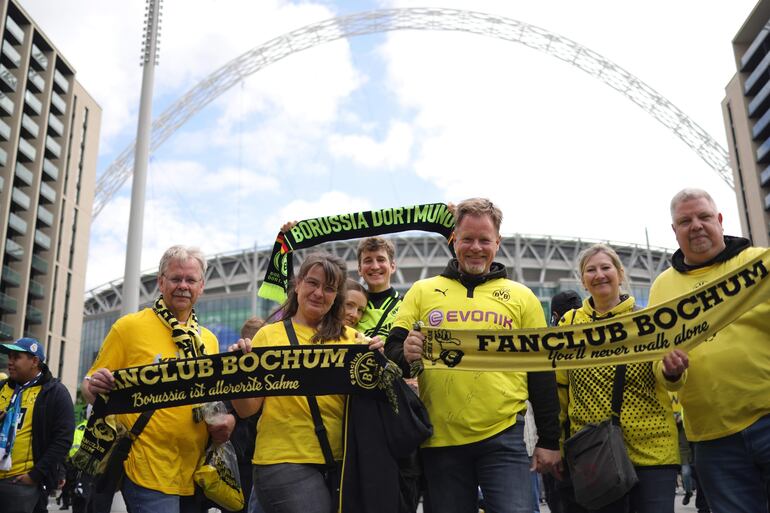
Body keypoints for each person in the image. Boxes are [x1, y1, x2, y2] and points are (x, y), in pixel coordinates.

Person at [385, 197, 561, 513]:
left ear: (498, 242)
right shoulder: (422, 291)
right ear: (454, 240)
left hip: (505, 435)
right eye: (467, 239)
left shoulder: (523, 297)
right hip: (441, 439)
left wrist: (549, 439)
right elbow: (393, 350)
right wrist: (406, 352)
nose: (475, 248)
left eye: (484, 240)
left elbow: (541, 371)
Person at [82, 245, 235, 512]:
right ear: (161, 282)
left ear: (202, 286)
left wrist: (224, 422)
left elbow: (211, 400)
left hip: (196, 472)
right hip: (146, 467)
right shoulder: (129, 328)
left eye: (191, 280)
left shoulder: (208, 340)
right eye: (176, 279)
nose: (183, 286)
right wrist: (95, 386)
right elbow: (89, 386)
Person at [229, 252, 383, 513]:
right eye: (312, 283)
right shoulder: (269, 336)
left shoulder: (353, 340)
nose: (318, 293)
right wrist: (238, 374)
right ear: (298, 284)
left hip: (340, 464)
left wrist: (377, 363)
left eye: (329, 288)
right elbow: (247, 410)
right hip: (282, 460)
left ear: (336, 297)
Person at [653, 188, 770, 513]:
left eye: (704, 217)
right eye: (685, 221)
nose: (696, 226)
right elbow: (658, 363)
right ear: (674, 231)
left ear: (719, 220)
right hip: (712, 437)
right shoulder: (663, 286)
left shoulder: (758, 264)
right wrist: (670, 371)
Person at [556, 244, 685, 513]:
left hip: (652, 450)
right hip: (595, 453)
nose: (599, 275)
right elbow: (560, 388)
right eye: (591, 270)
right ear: (582, 281)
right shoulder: (569, 325)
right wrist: (557, 445)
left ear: (620, 274)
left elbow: (665, 377)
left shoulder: (647, 320)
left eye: (606, 267)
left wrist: (673, 372)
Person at [0, 338, 75, 513]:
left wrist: (35, 475)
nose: (9, 362)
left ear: (34, 361)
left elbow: (63, 440)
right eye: (9, 357)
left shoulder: (55, 393)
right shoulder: (2, 387)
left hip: (20, 484)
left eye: (16, 357)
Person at [356, 237, 401, 339]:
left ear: (392, 266)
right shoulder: (351, 307)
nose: (375, 266)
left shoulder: (406, 305)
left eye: (381, 260)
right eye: (368, 261)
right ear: (359, 269)